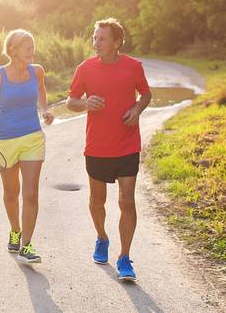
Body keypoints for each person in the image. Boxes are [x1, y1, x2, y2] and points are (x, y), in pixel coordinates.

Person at [66, 18, 152, 282]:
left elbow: (146, 94)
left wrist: (137, 110)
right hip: (97, 146)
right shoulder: (85, 68)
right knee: (97, 201)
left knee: (126, 200)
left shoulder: (133, 67)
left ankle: (124, 257)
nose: (96, 43)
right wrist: (85, 103)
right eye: (95, 37)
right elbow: (70, 101)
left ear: (117, 42)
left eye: (102, 38)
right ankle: (102, 237)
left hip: (127, 143)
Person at [0, 29, 55, 263]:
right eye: (27, 47)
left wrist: (44, 110)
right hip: (6, 140)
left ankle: (27, 246)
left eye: (33, 46)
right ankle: (15, 230)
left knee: (31, 194)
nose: (32, 51)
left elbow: (41, 90)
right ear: (13, 50)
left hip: (32, 137)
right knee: (12, 193)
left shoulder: (37, 71)